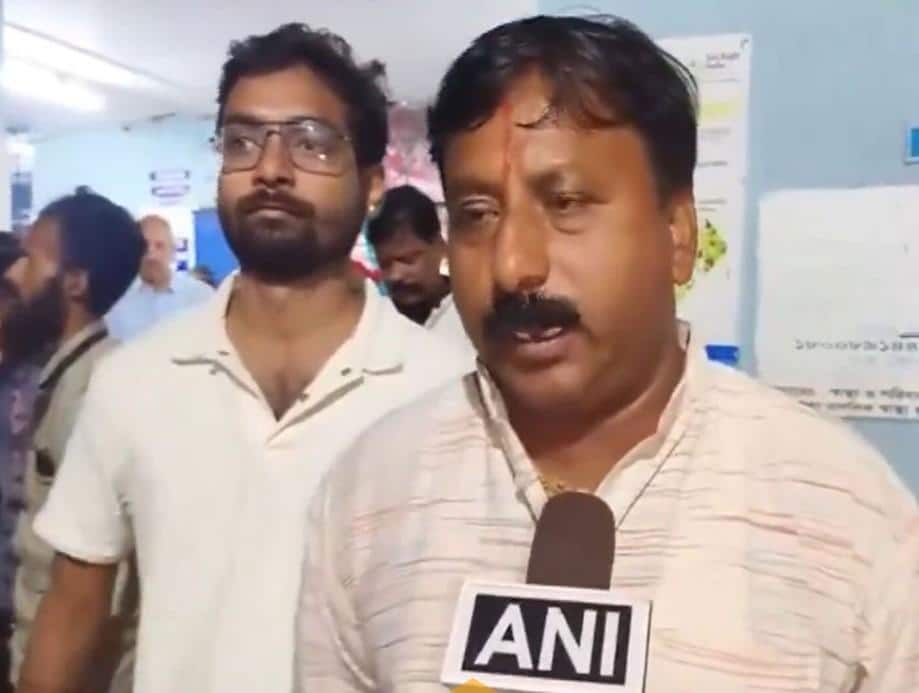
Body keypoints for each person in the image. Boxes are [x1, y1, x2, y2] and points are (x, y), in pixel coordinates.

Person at [295, 15, 919, 693]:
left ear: (677, 233)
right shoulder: (367, 496)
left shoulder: (851, 518)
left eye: (565, 203)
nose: (513, 265)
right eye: (477, 214)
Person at [18, 23, 465, 693]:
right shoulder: (135, 381)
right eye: (242, 141)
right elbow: (73, 607)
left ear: (372, 182)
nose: (271, 167)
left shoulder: (443, 389)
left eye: (310, 142)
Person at [3, 192, 145, 693]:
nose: (15, 275)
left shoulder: (98, 392)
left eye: (31, 258)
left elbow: (93, 587)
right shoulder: (63, 374)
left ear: (76, 281)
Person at [368, 185, 474, 358]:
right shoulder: (378, 328)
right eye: (385, 264)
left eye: (408, 259)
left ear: (440, 245)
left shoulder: (474, 317)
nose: (395, 275)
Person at [105, 215, 212, 340]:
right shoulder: (116, 302)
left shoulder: (202, 296)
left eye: (159, 246)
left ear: (173, 251)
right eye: (144, 247)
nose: (151, 255)